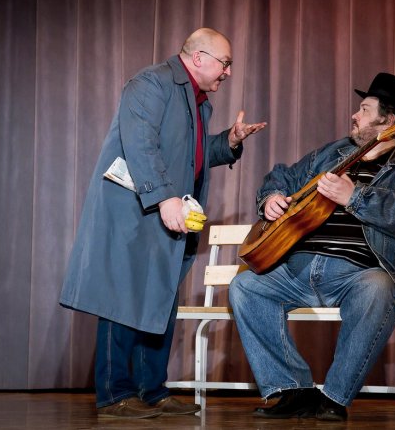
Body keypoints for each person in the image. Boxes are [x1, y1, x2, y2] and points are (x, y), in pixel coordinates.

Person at [59, 28, 266, 419]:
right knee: (121, 299)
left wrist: (230, 141)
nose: (228, 72)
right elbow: (141, 144)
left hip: (166, 213)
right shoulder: (152, 83)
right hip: (136, 211)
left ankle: (151, 390)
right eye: (225, 63)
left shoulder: (198, 102)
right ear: (199, 58)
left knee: (159, 301)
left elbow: (189, 155)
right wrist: (165, 198)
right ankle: (114, 395)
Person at [228, 73, 395, 421]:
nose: (354, 116)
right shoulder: (333, 152)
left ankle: (334, 398)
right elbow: (282, 175)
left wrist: (355, 197)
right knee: (245, 286)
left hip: (358, 275)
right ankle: (293, 390)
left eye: (364, 109)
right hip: (298, 269)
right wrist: (271, 196)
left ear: (388, 120)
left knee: (379, 288)